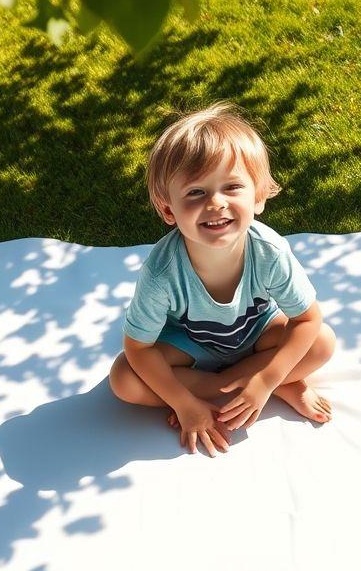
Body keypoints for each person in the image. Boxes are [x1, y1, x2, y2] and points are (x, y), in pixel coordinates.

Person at [109, 102, 336, 457]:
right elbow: (138, 348)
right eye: (195, 192)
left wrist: (266, 379)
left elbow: (307, 319)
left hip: (256, 335)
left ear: (258, 196)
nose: (216, 203)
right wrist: (184, 404)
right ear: (168, 209)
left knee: (322, 343)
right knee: (123, 379)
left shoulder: (268, 252)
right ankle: (248, 388)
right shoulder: (162, 270)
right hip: (190, 346)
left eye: (232, 187)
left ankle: (269, 385)